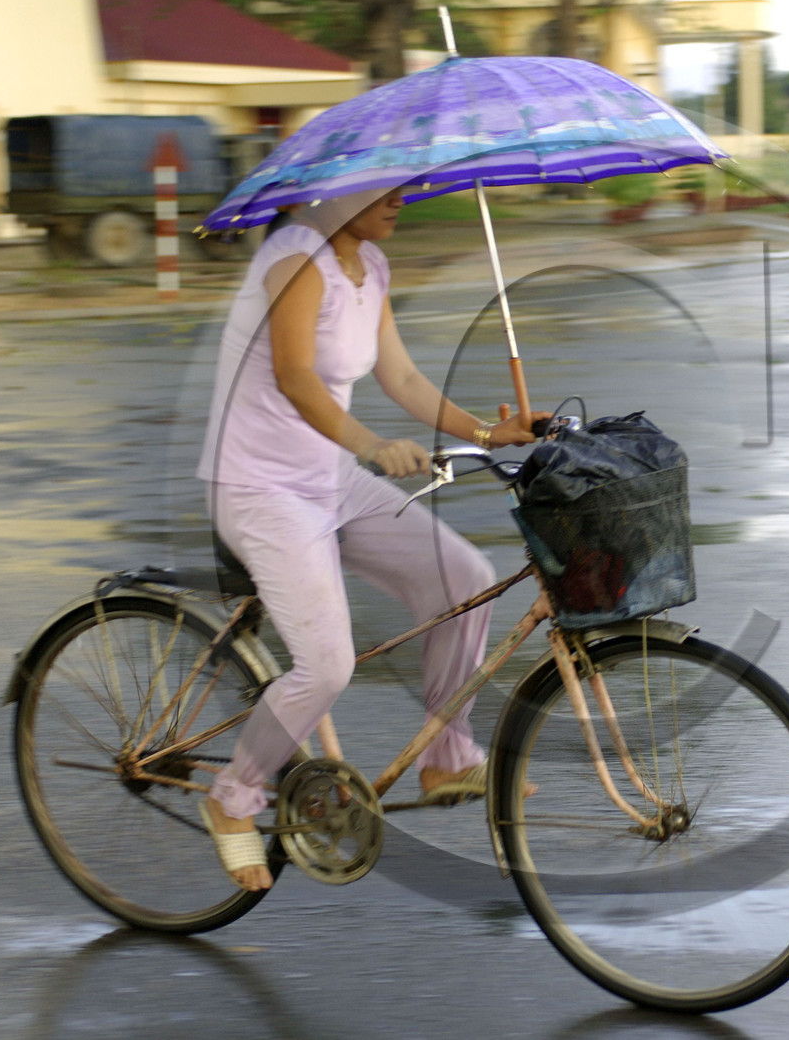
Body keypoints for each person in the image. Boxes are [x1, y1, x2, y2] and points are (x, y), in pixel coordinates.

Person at [196, 187, 550, 891]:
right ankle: (232, 799)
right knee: (326, 665)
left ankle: (448, 753)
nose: (400, 198)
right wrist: (370, 445)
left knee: (465, 577)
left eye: (405, 185)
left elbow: (402, 376)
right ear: (332, 188)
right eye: (381, 186)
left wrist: (488, 432)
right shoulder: (294, 258)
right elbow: (297, 378)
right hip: (260, 487)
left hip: (329, 477)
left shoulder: (372, 267)